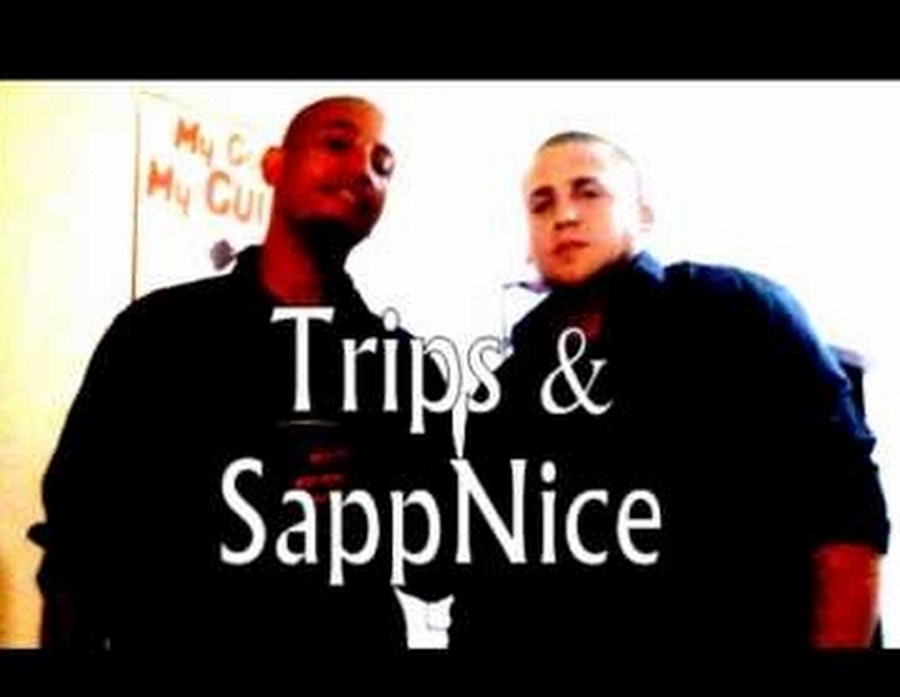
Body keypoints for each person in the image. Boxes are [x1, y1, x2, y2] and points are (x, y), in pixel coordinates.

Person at [29, 96, 453, 655]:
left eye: (383, 164)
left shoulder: (404, 366)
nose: (363, 170)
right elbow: (76, 544)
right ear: (275, 165)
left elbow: (438, 570)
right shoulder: (157, 332)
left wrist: (377, 499)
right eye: (337, 143)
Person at [455, 130, 890, 654]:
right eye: (541, 203)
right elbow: (485, 591)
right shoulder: (506, 392)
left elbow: (845, 510)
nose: (564, 216)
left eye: (589, 192)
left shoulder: (740, 311)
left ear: (643, 215)